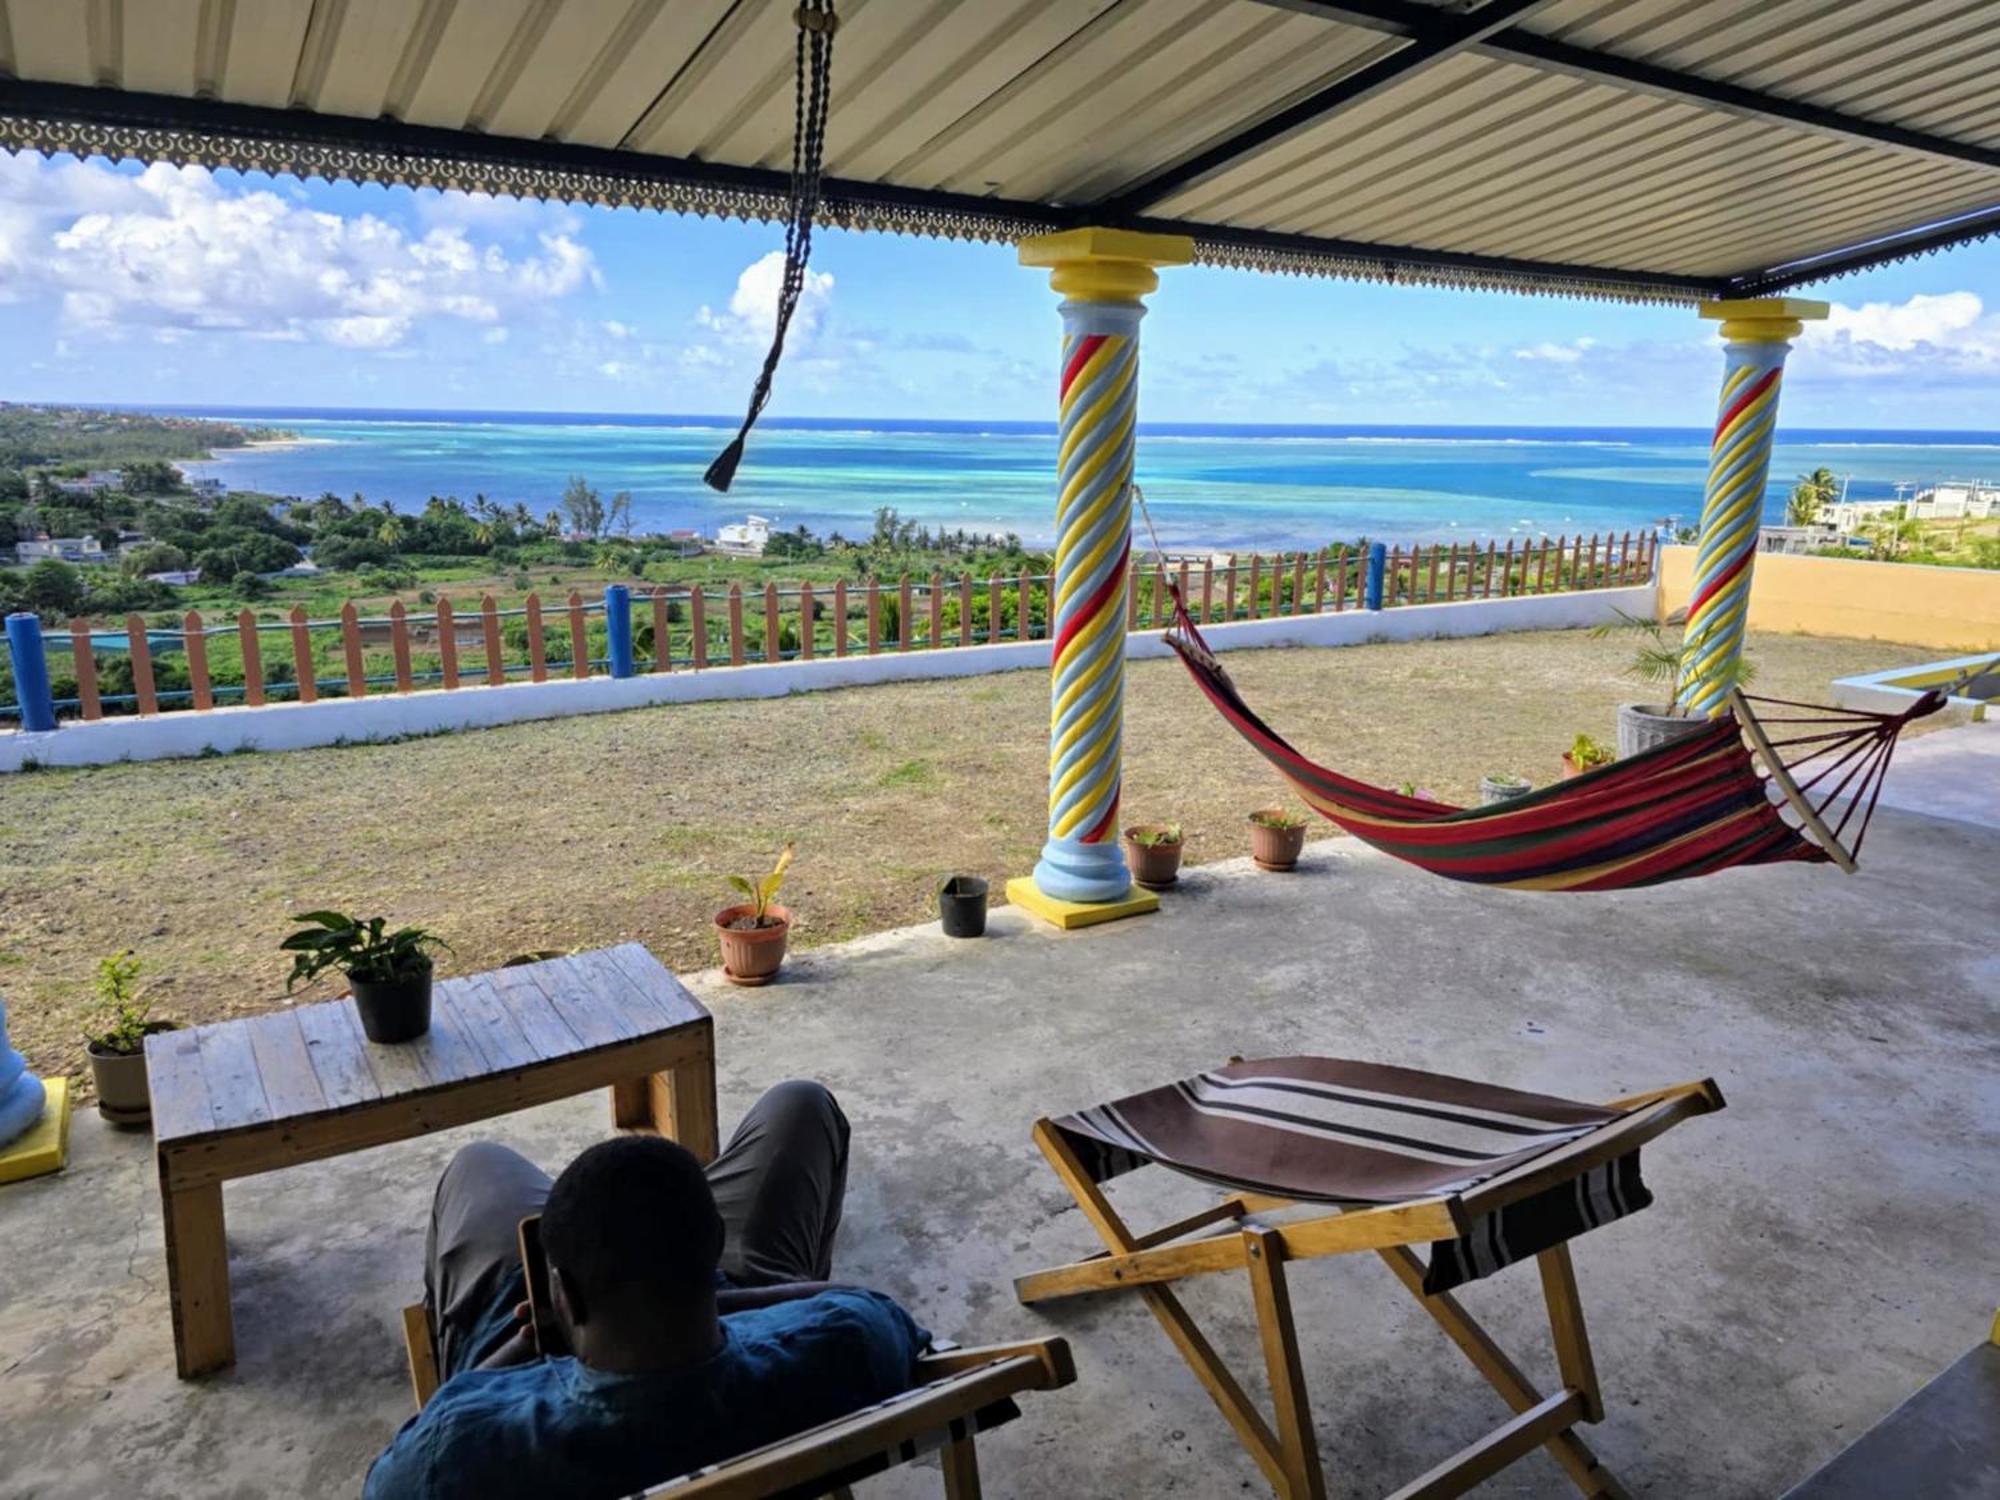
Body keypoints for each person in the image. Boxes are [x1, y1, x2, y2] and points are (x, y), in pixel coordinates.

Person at [365, 1081, 928, 1500]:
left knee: (479, 1164)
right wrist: (715, 1297)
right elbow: (866, 1302)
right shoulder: (852, 1345)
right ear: (712, 1251)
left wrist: (523, 1344)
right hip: (738, 1340)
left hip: (540, 1347)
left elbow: (387, 1483)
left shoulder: (453, 1453)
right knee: (803, 1102)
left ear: (566, 1298)